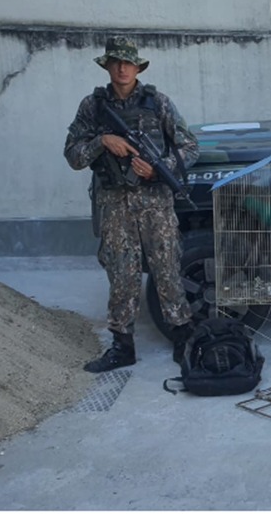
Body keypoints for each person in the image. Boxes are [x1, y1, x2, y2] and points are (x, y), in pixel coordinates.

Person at [64, 37, 198, 373]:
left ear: (138, 67)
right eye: (116, 62)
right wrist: (101, 140)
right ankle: (122, 346)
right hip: (114, 204)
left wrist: (158, 167)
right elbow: (73, 155)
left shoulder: (158, 103)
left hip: (155, 203)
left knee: (167, 269)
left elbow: (190, 147)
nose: (122, 69)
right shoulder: (92, 107)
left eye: (128, 63)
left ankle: (183, 338)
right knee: (121, 274)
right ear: (107, 66)